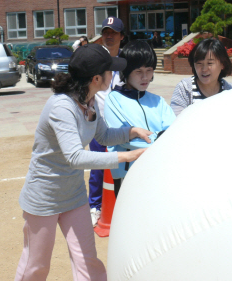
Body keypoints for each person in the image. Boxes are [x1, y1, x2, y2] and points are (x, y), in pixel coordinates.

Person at [14, 44, 152, 281]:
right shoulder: (61, 107)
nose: (114, 75)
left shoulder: (90, 100)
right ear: (97, 78)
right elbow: (75, 157)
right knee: (36, 266)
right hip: (44, 196)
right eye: (110, 71)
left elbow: (104, 136)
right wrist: (126, 156)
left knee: (87, 260)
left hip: (74, 195)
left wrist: (131, 132)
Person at [104, 40, 176, 197]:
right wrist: (161, 139)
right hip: (127, 176)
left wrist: (157, 138)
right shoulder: (113, 99)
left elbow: (173, 132)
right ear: (126, 71)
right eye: (138, 71)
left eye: (149, 70)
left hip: (159, 174)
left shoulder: (158, 101)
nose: (145, 77)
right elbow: (124, 138)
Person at [88, 17, 126, 226]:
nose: (109, 36)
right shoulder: (95, 60)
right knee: (96, 169)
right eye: (106, 32)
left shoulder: (126, 62)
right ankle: (94, 207)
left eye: (113, 32)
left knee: (123, 166)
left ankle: (122, 207)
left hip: (120, 126)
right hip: (98, 125)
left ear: (121, 36)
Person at [171, 38, 232, 116]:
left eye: (210, 63)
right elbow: (176, 122)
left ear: (223, 64)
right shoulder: (185, 89)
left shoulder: (231, 91)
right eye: (199, 63)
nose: (204, 69)